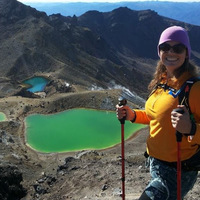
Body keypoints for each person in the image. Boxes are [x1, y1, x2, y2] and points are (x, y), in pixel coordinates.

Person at [116, 26, 200, 200]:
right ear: (159, 51)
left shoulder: (195, 88)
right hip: (156, 164)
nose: (171, 52)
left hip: (177, 171)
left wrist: (191, 128)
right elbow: (155, 116)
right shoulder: (162, 82)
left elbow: (189, 127)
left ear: (186, 53)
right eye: (165, 47)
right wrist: (132, 115)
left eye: (178, 48)